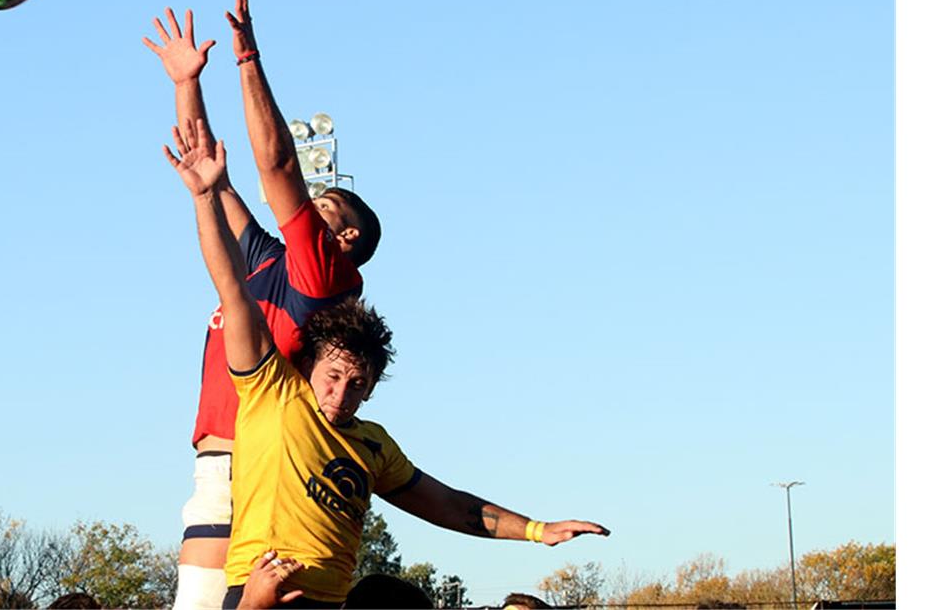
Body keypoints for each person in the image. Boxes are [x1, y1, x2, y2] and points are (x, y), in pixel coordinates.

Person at [163, 119, 609, 609]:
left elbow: (449, 505)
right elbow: (232, 286)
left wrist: (536, 530)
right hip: (260, 596)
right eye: (333, 377)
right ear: (308, 365)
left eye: (357, 384)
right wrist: (204, 197)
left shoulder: (373, 445)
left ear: (371, 388)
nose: (340, 394)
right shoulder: (273, 394)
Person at [144, 0, 382, 610]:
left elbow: (278, 166)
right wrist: (186, 83)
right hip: (216, 463)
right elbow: (206, 170)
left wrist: (248, 60)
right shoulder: (272, 260)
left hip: (259, 467)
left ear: (347, 237)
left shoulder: (329, 275)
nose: (309, 204)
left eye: (326, 204)